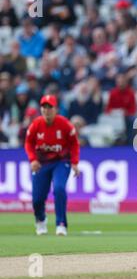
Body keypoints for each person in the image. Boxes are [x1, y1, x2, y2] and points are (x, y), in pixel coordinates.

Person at [24, 95, 80, 236]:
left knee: (59, 189)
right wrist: (32, 160)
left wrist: (74, 162)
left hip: (61, 162)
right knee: (37, 198)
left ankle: (61, 224)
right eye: (44, 107)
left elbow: (74, 143)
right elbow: (28, 143)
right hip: (41, 164)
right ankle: (40, 220)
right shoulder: (36, 124)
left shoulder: (65, 124)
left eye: (50, 107)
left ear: (56, 109)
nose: (46, 110)